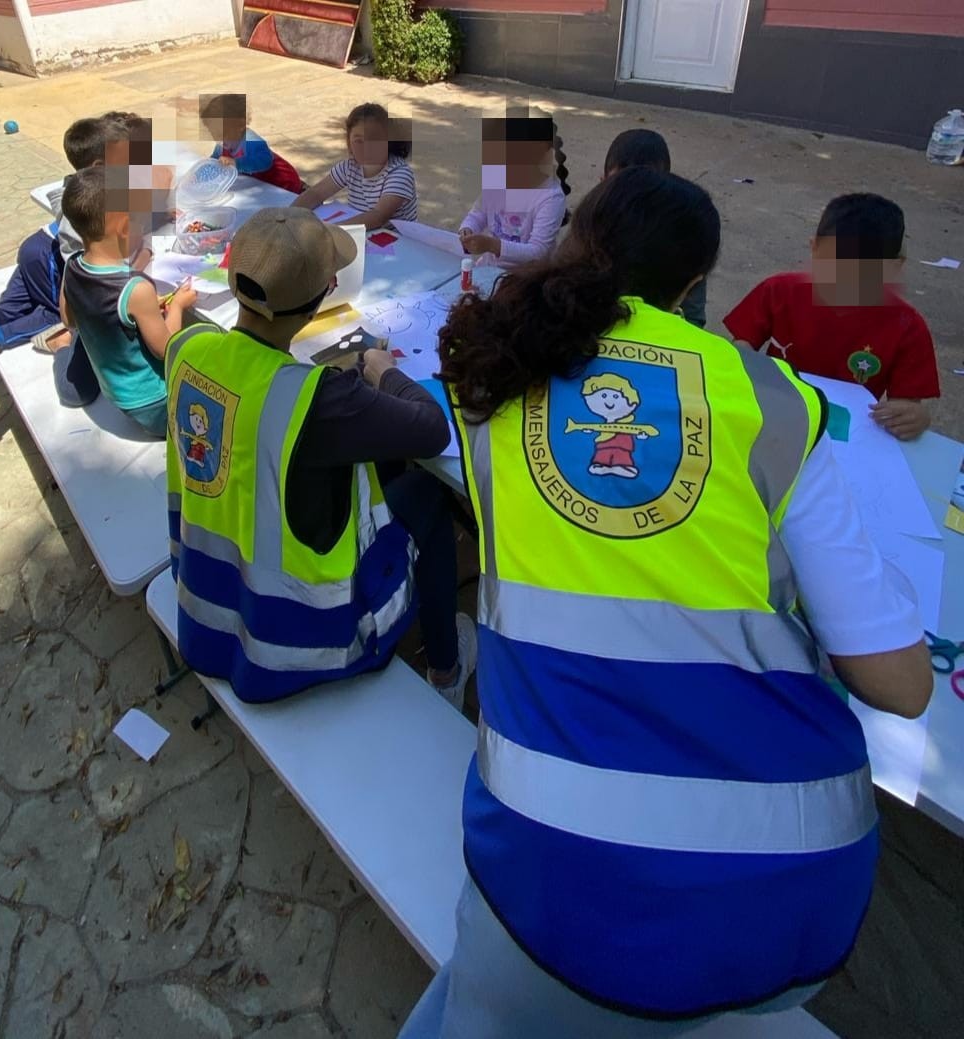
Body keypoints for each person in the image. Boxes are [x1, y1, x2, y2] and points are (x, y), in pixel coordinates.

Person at [399, 168, 932, 1038]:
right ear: (693, 287)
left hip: (546, 861)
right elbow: (902, 685)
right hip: (789, 891)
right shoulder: (769, 398)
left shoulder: (496, 371)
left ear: (575, 243)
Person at [164, 207, 477, 707]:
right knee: (425, 493)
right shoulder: (316, 398)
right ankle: (446, 669)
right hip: (299, 639)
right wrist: (379, 370)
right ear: (324, 295)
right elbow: (430, 428)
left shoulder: (189, 346)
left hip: (205, 603)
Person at [0, 113, 130, 414]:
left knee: (8, 308)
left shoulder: (81, 187)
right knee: (51, 312)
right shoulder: (98, 197)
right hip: (54, 264)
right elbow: (83, 265)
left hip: (37, 245)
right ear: (100, 167)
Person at [724, 192, 940, 440]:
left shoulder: (908, 327)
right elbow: (740, 347)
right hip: (773, 415)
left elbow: (907, 405)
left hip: (845, 435)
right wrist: (742, 367)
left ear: (893, 267)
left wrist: (916, 417)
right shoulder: (778, 291)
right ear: (814, 248)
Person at [59, 166, 197, 437]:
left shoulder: (72, 266)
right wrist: (178, 306)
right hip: (157, 404)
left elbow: (68, 320)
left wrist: (134, 315)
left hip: (117, 393)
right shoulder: (136, 289)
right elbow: (167, 349)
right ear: (124, 227)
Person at [603, 128, 707, 328]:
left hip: (662, 339)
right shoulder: (588, 229)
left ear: (665, 187)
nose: (631, 197)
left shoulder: (685, 240)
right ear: (602, 184)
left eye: (646, 189)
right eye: (621, 187)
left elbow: (693, 319)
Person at [457, 109, 570, 268]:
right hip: (490, 270)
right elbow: (477, 214)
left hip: (527, 279)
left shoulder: (550, 197)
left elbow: (538, 252)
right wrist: (467, 230)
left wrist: (492, 245)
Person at [293, 103, 417, 229]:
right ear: (349, 143)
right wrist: (288, 214)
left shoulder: (400, 174)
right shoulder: (348, 167)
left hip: (399, 242)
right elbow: (316, 193)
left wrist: (332, 231)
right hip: (362, 233)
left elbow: (378, 216)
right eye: (358, 141)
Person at [199, 93, 303, 194]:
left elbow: (264, 161)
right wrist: (199, 175)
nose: (219, 139)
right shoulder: (222, 144)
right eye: (214, 134)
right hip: (261, 185)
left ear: (240, 125)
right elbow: (214, 161)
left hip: (284, 184)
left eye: (223, 133)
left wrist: (237, 163)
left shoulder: (251, 141)